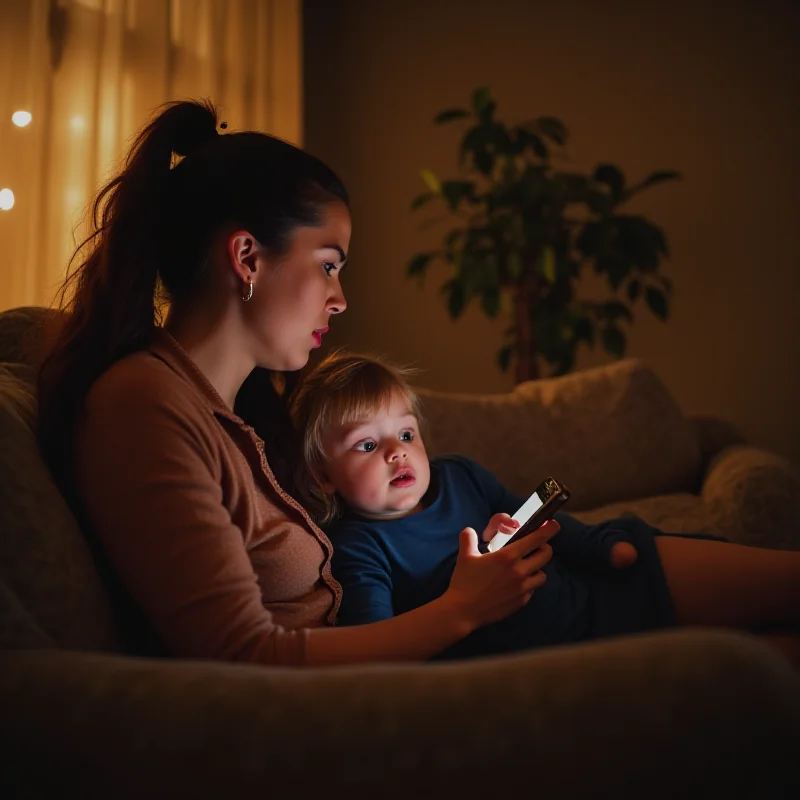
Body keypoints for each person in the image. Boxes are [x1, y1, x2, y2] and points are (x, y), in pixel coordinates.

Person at [36, 99, 555, 667]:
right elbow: (243, 654)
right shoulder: (142, 405)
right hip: (326, 717)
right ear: (247, 257)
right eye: (329, 265)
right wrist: (461, 611)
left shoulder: (234, 413)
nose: (340, 299)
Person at [289, 350, 800, 663]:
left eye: (404, 433)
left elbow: (542, 516)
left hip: (606, 582)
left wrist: (602, 545)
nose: (397, 452)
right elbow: (384, 651)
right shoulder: (359, 549)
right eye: (366, 445)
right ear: (322, 476)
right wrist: (458, 598)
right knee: (767, 669)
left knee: (781, 581)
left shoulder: (459, 474)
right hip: (573, 650)